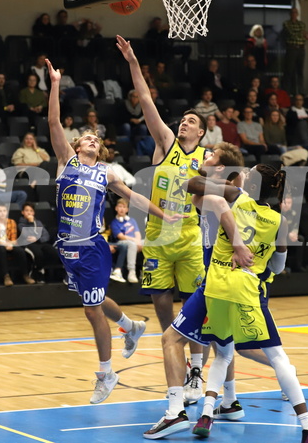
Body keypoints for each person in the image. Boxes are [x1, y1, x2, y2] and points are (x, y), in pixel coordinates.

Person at [144, 164, 308, 443]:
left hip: (215, 288)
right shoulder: (280, 222)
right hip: (247, 289)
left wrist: (217, 180)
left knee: (222, 353)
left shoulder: (235, 197)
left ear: (253, 182)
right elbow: (279, 267)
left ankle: (206, 413)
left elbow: (192, 186)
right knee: (278, 358)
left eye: (249, 171)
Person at [47, 58, 181, 404]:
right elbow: (52, 122)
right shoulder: (66, 162)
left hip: (92, 246)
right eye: (86, 138)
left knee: (91, 310)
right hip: (66, 247)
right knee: (93, 300)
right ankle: (131, 326)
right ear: (76, 147)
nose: (91, 140)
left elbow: (134, 195)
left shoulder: (105, 173)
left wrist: (161, 214)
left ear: (100, 150)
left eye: (96, 140)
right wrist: (55, 83)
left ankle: (106, 374)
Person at [117, 35, 209, 404]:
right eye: (183, 119)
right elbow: (145, 100)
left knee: (196, 303)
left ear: (201, 132)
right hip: (157, 233)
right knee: (161, 302)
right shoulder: (165, 143)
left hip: (188, 235)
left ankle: (197, 368)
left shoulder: (207, 157)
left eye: (192, 121)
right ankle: (177, 353)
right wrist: (133, 62)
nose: (184, 122)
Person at [0, 203, 36, 287]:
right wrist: (4, 243)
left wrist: (10, 244)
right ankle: (6, 276)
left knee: (20, 250)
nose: (2, 213)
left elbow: (13, 238)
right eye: (0, 211)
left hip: (9, 245)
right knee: (1, 249)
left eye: (4, 211)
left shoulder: (11, 222)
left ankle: (25, 275)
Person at [18, 202, 59, 282]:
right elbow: (27, 235)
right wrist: (30, 222)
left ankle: (45, 270)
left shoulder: (38, 222)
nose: (29, 212)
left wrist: (37, 238)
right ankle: (37, 272)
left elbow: (46, 235)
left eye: (31, 211)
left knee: (53, 252)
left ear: (34, 212)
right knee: (38, 253)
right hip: (28, 244)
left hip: (40, 243)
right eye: (26, 210)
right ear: (22, 212)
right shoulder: (21, 224)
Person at [108, 198, 142, 284]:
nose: (122, 209)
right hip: (122, 242)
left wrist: (138, 241)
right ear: (116, 208)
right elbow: (121, 236)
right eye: (120, 206)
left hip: (135, 241)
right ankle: (132, 272)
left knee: (148, 243)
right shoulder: (114, 222)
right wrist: (135, 241)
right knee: (131, 244)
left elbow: (137, 233)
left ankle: (147, 270)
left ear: (127, 209)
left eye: (124, 207)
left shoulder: (132, 220)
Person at [282, 7, 308, 96]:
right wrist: (302, 34)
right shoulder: (286, 23)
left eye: (295, 12)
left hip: (301, 48)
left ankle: (300, 91)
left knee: (300, 71)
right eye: (292, 12)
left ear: (297, 14)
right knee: (289, 70)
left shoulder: (301, 24)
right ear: (290, 14)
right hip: (292, 48)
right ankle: (287, 91)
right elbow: (291, 34)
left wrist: (304, 35)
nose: (294, 14)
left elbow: (307, 35)